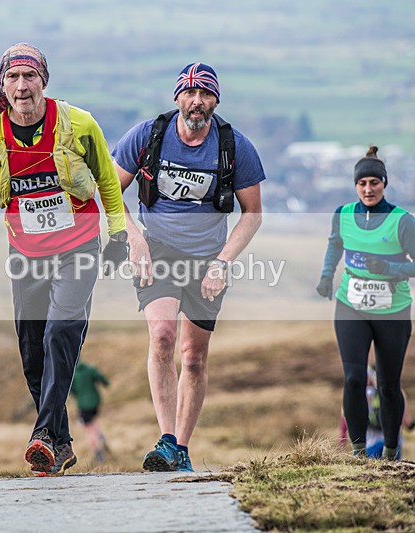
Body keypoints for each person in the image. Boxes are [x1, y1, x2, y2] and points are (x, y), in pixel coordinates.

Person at [0, 43, 128, 476]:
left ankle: (41, 436)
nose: (21, 86)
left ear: (44, 81)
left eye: (29, 77)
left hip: (79, 247)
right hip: (26, 254)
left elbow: (108, 180)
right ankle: (61, 443)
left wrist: (119, 234)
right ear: (2, 85)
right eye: (12, 78)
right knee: (32, 353)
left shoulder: (78, 124)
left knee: (60, 333)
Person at [112, 62, 265, 472]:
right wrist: (135, 238)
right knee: (162, 336)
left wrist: (223, 262)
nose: (197, 102)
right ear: (177, 96)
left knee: (193, 357)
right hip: (157, 250)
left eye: (206, 94)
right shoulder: (148, 135)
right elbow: (106, 192)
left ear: (216, 100)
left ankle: (180, 446)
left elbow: (252, 213)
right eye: (190, 93)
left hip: (208, 259)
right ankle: (165, 440)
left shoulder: (234, 146)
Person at [317, 146, 415, 460]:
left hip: (392, 311)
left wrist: (392, 269)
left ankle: (392, 452)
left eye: (374, 183)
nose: (368, 189)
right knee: (354, 378)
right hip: (351, 305)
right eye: (362, 184)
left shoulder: (402, 221)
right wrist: (327, 276)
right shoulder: (343, 215)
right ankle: (356, 453)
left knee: (388, 386)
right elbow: (334, 246)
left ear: (384, 184)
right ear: (355, 186)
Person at [338, 364, 415, 459]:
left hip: (370, 443)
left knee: (371, 472)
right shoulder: (397, 392)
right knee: (392, 470)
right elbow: (407, 422)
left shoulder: (360, 394)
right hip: (393, 443)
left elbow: (346, 415)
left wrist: (342, 442)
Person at [69, 360, 110, 462]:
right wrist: (105, 383)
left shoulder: (73, 375)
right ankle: (100, 435)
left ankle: (98, 453)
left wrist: (78, 396)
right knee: (93, 422)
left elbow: (71, 389)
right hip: (95, 402)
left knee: (88, 429)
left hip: (83, 405)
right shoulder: (89, 369)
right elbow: (102, 378)